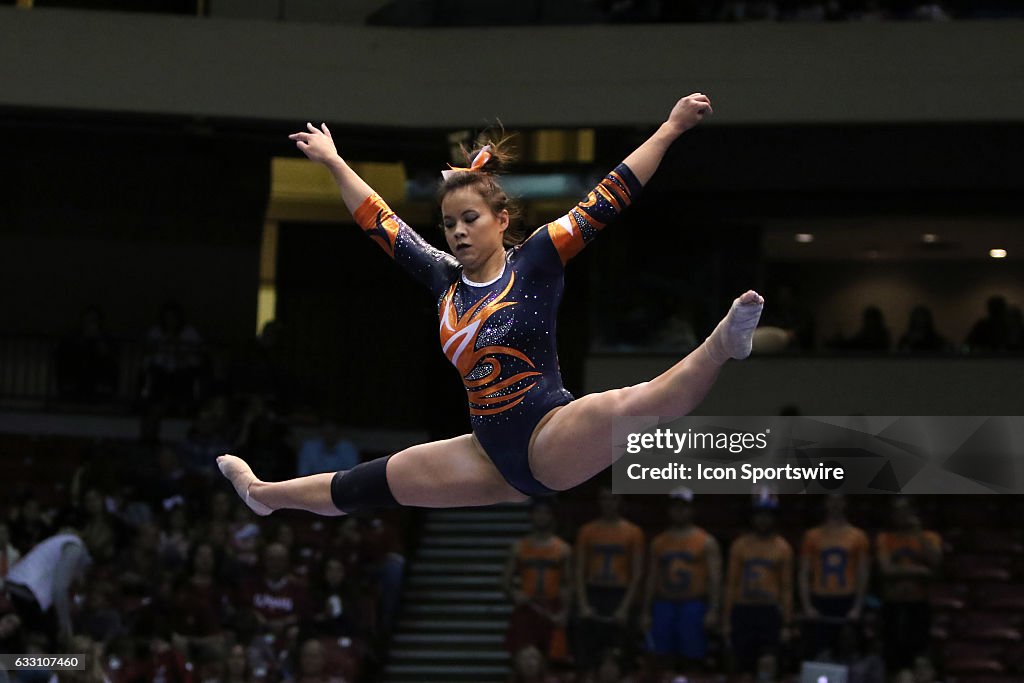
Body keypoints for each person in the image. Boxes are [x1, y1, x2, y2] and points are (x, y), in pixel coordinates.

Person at [217, 92, 764, 518]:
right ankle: (264, 494)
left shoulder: (540, 258)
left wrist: (669, 130)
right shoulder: (443, 280)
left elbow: (611, 195)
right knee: (368, 484)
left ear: (501, 221)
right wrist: (335, 162)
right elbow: (380, 221)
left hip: (549, 437)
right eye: (449, 223)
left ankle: (721, 345)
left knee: (627, 406)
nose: (457, 232)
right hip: (487, 458)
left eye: (470, 219)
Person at [641, 488, 721, 674]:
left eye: (683, 507)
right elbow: (652, 578)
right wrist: (646, 611)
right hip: (664, 604)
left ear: (692, 510)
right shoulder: (659, 542)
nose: (679, 512)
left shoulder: (706, 541)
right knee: (661, 656)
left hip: (693, 605)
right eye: (675, 507)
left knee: (692, 656)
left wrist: (713, 610)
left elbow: (715, 579)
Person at [574, 488, 645, 672]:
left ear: (620, 501)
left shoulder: (633, 532)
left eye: (613, 499)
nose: (609, 503)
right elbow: (580, 570)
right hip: (594, 592)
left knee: (622, 649)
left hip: (619, 593)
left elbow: (637, 574)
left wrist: (624, 607)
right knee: (589, 649)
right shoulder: (587, 531)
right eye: (605, 499)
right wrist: (583, 604)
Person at [722, 499, 793, 674]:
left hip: (769, 612)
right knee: (742, 664)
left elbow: (786, 588)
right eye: (759, 515)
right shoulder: (740, 545)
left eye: (767, 515)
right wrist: (726, 619)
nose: (763, 520)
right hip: (743, 610)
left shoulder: (783, 548)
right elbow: (731, 584)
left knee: (768, 662)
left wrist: (787, 623)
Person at [798, 494, 870, 659]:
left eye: (839, 500)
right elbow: (804, 573)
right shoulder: (812, 536)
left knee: (847, 654)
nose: (835, 504)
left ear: (845, 503)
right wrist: (807, 606)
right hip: (820, 600)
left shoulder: (858, 536)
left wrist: (857, 607)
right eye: (831, 500)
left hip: (847, 600)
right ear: (825, 503)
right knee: (819, 654)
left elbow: (862, 573)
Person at [502, 498, 572, 664]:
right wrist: (514, 593)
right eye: (537, 512)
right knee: (522, 659)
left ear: (552, 516)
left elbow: (569, 584)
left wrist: (564, 612)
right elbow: (505, 581)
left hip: (551, 608)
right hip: (527, 609)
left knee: (551, 660)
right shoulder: (519, 547)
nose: (541, 517)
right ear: (531, 515)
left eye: (546, 512)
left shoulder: (562, 549)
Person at [875, 498, 942, 671]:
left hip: (918, 606)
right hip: (892, 605)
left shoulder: (929, 537)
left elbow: (935, 563)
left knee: (918, 656)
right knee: (892, 659)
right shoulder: (885, 538)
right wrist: (920, 570)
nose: (901, 516)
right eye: (897, 511)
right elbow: (886, 571)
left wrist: (918, 533)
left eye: (905, 511)